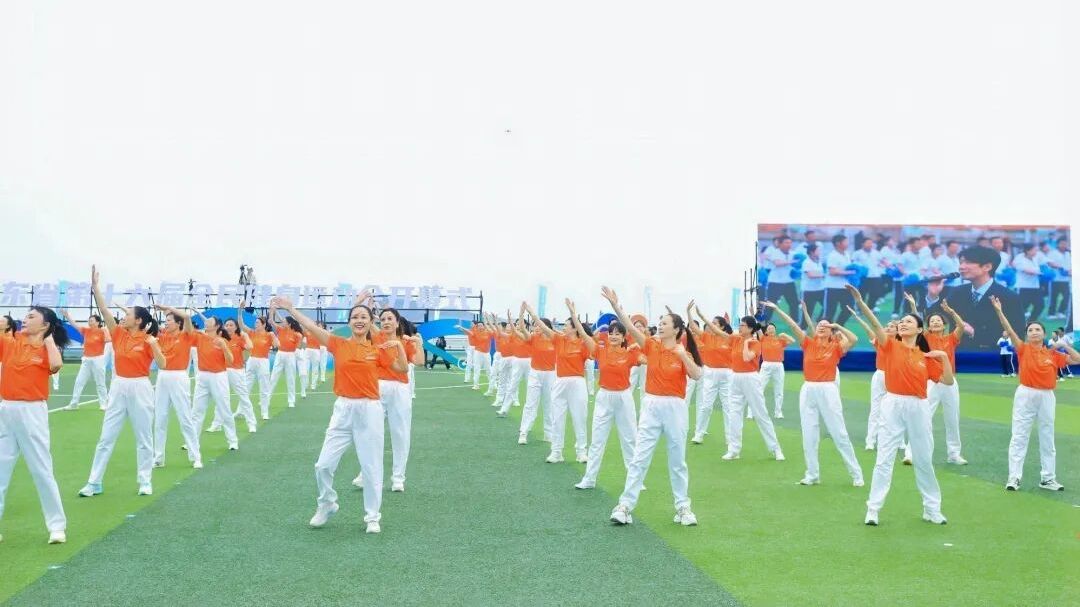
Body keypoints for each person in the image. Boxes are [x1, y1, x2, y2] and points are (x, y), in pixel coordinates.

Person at [283, 296, 406, 534]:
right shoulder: (338, 344)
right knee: (323, 465)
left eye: (364, 317)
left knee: (371, 466)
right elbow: (310, 326)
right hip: (343, 409)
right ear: (349, 322)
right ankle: (327, 503)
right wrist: (291, 309)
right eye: (355, 317)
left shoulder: (377, 349)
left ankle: (372, 517)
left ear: (370, 322)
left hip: (369, 410)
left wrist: (399, 347)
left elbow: (401, 369)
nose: (359, 320)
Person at [849, 285, 952, 526]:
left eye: (909, 322)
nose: (903, 324)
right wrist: (861, 302)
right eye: (902, 322)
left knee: (923, 459)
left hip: (918, 406)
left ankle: (932, 509)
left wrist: (944, 358)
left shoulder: (925, 356)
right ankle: (873, 509)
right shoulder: (890, 345)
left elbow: (947, 381)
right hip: (892, 403)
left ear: (919, 329)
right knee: (884, 458)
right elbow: (876, 325)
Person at [602, 287, 703, 527]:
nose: (660, 325)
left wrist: (683, 355)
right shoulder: (651, 345)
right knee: (639, 457)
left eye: (665, 323)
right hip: (651, 406)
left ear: (676, 329)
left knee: (677, 460)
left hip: (675, 407)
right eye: (660, 322)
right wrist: (616, 306)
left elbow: (697, 375)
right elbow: (630, 326)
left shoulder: (683, 352)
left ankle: (683, 508)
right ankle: (625, 506)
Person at [80, 266, 167, 498]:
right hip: (119, 386)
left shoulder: (149, 339)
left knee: (143, 438)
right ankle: (94, 482)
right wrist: (95, 287)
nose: (124, 316)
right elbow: (104, 310)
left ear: (138, 320)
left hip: (140, 387)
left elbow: (163, 364)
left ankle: (145, 481)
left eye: (128, 314)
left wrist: (154, 346)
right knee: (106, 437)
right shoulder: (118, 333)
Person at [763, 301, 863, 487]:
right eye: (819, 325)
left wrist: (838, 326)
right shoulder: (808, 343)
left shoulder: (836, 346)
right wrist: (777, 309)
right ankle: (812, 474)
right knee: (809, 433)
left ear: (832, 331)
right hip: (808, 389)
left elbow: (854, 339)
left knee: (839, 433)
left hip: (828, 390)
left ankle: (856, 474)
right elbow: (793, 325)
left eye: (826, 326)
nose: (821, 327)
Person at [993, 296, 1080, 491]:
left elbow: (1077, 359)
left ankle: (1048, 478)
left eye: (1037, 330)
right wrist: (999, 311)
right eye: (1030, 330)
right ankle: (1014, 478)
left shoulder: (1053, 355)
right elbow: (1010, 329)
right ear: (1027, 335)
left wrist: (1064, 345)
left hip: (1047, 396)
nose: (1034, 332)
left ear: (1044, 334)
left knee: (1047, 436)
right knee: (1019, 435)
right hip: (1026, 394)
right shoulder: (1023, 349)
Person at [0, 306, 70, 544]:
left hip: (32, 412)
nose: (25, 319)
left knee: (41, 469)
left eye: (31, 317)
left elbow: (56, 365)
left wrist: (48, 340)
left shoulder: (47, 348)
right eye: (26, 315)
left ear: (45, 325)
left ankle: (57, 527)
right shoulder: (10, 342)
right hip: (6, 409)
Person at [574, 318, 642, 489]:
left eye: (617, 334)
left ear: (624, 337)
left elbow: (650, 357)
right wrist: (574, 315)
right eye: (611, 333)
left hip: (623, 398)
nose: (613, 336)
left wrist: (640, 342)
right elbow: (583, 334)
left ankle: (635, 480)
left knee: (629, 439)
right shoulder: (600, 351)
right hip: (604, 397)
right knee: (597, 440)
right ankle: (589, 479)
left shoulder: (630, 353)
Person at [925, 245, 1024, 350]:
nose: (961, 267)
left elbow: (1017, 335)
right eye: (961, 262)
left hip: (992, 356)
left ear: (987, 267)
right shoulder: (957, 292)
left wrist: (974, 332)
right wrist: (933, 295)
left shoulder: (1008, 297)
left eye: (968, 262)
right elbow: (934, 319)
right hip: (958, 354)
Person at [370, 307, 425, 492]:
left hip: (400, 389)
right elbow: (363, 320)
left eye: (389, 319)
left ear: (397, 322)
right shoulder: (376, 338)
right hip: (377, 387)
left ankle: (398, 478)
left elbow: (419, 362)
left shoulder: (405, 341)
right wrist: (360, 302)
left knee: (400, 433)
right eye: (383, 319)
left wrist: (419, 343)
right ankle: (367, 474)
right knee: (372, 432)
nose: (386, 322)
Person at [722, 315, 785, 461]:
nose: (740, 327)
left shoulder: (755, 343)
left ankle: (775, 448)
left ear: (750, 328)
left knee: (760, 413)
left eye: (743, 325)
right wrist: (703, 318)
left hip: (750, 378)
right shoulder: (736, 339)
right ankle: (734, 449)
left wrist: (745, 344)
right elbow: (720, 333)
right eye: (740, 324)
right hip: (735, 377)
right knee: (734, 413)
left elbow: (746, 358)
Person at [535, 300, 591, 464]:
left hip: (577, 383)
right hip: (560, 382)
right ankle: (556, 452)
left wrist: (573, 314)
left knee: (579, 418)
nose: (563, 327)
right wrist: (532, 313)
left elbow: (585, 335)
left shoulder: (583, 343)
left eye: (566, 325)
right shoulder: (559, 340)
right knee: (557, 418)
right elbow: (545, 328)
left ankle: (581, 452)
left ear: (574, 328)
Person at [150, 305, 203, 469]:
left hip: (179, 377)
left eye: (169, 320)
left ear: (178, 323)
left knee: (185, 418)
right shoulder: (162, 336)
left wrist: (167, 307)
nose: (166, 323)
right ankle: (158, 457)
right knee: (160, 418)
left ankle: (196, 456)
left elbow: (186, 317)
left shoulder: (186, 335)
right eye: (165, 320)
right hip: (163, 377)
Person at [919, 296, 969, 465]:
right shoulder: (925, 337)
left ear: (944, 324)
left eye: (938, 320)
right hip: (931, 383)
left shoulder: (951, 339)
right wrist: (913, 306)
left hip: (949, 383)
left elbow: (961, 326)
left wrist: (951, 312)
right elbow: (917, 325)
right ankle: (913, 452)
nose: (935, 322)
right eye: (932, 321)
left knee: (952, 419)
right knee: (923, 417)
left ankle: (954, 454)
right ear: (928, 325)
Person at [849, 309, 898, 450]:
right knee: (876, 408)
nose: (888, 328)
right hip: (880, 375)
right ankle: (870, 441)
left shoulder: (902, 343)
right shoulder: (880, 341)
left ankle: (898, 440)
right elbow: (868, 329)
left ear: (898, 331)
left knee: (895, 409)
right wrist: (857, 317)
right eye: (887, 326)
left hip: (896, 376)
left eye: (892, 327)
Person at [190, 315, 239, 450]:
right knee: (197, 411)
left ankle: (233, 441)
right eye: (206, 321)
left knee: (224, 409)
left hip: (218, 377)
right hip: (202, 376)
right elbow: (188, 330)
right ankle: (192, 442)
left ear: (217, 326)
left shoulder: (223, 341)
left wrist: (223, 347)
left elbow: (230, 361)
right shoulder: (200, 337)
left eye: (210, 321)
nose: (206, 322)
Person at [687, 307, 733, 444]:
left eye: (715, 323)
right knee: (706, 405)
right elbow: (693, 328)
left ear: (722, 327)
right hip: (710, 373)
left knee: (728, 407)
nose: (711, 325)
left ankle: (730, 437)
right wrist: (689, 312)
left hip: (726, 374)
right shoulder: (707, 337)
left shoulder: (729, 338)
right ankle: (699, 434)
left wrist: (702, 315)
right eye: (711, 323)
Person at [514, 309, 556, 445]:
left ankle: (549, 434)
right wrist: (521, 313)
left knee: (549, 404)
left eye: (538, 325)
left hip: (550, 374)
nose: (536, 327)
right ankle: (523, 432)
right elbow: (522, 329)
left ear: (546, 327)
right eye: (534, 325)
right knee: (530, 404)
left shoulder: (555, 339)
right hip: (535, 373)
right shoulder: (533, 337)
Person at [62, 309, 111, 411]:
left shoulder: (102, 331)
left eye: (92, 320)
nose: (90, 322)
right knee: (79, 381)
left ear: (98, 322)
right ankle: (74, 404)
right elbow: (75, 325)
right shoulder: (86, 331)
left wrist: (105, 330)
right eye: (89, 320)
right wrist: (67, 316)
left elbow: (108, 340)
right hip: (86, 359)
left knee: (100, 382)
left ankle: (103, 404)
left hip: (98, 359)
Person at [238, 303, 277, 420]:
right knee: (246, 386)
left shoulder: (269, 335)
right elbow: (241, 324)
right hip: (252, 360)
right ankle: (240, 410)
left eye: (258, 323)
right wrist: (240, 310)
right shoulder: (251, 333)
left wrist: (274, 336)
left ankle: (265, 412)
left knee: (264, 388)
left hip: (263, 362)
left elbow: (276, 345)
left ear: (263, 325)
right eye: (255, 323)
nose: (255, 324)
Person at [221, 318, 256, 433]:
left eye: (231, 325)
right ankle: (217, 424)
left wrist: (245, 336)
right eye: (226, 325)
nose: (228, 327)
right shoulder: (221, 338)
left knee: (243, 397)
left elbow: (250, 347)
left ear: (236, 327)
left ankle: (251, 423)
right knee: (221, 398)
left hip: (237, 371)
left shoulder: (239, 338)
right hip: (222, 371)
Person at [268, 302, 303, 407]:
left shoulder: (297, 334)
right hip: (280, 354)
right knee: (273, 377)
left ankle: (291, 401)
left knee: (290, 378)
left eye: (284, 322)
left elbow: (298, 347)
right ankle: (267, 399)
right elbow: (271, 321)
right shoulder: (280, 329)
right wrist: (272, 310)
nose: (282, 323)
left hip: (290, 356)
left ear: (289, 324)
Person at [758, 323, 795, 419]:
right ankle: (754, 411)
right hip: (766, 365)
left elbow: (792, 340)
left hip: (778, 366)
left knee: (779, 390)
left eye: (773, 328)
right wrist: (754, 316)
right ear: (766, 331)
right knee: (759, 388)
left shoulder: (780, 340)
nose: (771, 329)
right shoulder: (763, 338)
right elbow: (758, 328)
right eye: (769, 328)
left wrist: (784, 335)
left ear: (775, 330)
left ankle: (778, 412)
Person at [762, 236, 800, 322]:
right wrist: (792, 262)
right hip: (775, 282)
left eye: (790, 242)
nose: (789, 244)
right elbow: (777, 263)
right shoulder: (775, 252)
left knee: (794, 303)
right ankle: (764, 323)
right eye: (786, 242)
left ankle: (795, 323)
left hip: (789, 282)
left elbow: (800, 262)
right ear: (780, 244)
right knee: (771, 304)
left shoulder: (793, 254)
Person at [822, 234, 855, 326]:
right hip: (833, 287)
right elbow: (832, 271)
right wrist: (849, 272)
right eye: (845, 241)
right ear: (838, 243)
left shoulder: (847, 254)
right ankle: (823, 331)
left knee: (849, 310)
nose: (847, 243)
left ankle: (836, 328)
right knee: (829, 313)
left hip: (846, 287)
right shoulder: (833, 255)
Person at [1013, 244, 1044, 324]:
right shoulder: (1020, 258)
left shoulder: (1035, 259)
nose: (1036, 252)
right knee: (1022, 307)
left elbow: (1047, 263)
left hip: (1035, 287)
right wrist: (1041, 273)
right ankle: (1017, 323)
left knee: (1040, 305)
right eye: (1034, 250)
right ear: (1028, 251)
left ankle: (1031, 321)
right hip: (1023, 287)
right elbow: (1027, 271)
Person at [1045, 238, 1071, 321]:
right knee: (1053, 297)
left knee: (1067, 296)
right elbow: (1049, 263)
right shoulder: (1053, 253)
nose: (1064, 245)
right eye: (1062, 243)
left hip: (1066, 279)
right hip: (1054, 279)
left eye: (1065, 243)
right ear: (1058, 244)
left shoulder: (1068, 253)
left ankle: (1061, 312)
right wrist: (1060, 268)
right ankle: (1051, 314)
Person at [800, 244, 826, 320]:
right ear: (812, 252)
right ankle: (803, 326)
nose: (819, 252)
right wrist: (824, 275)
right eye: (818, 250)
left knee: (828, 307)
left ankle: (819, 320)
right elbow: (810, 275)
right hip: (809, 290)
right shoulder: (806, 262)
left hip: (820, 289)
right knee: (808, 312)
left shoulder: (819, 261)